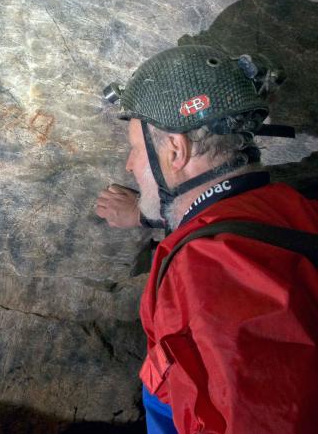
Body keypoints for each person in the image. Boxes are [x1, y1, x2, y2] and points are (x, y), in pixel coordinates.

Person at [96, 45, 318, 433]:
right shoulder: (292, 209)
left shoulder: (211, 276)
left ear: (176, 151)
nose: (129, 165)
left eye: (135, 149)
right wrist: (149, 214)